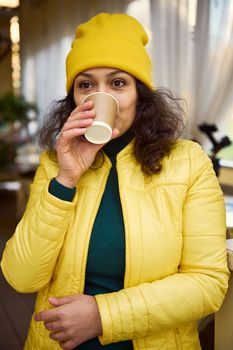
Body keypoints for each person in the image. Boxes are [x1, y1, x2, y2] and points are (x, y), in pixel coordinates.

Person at [0, 12, 229, 350]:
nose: (98, 95)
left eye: (118, 83)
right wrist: (65, 179)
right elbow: (21, 277)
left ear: (141, 93)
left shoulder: (187, 163)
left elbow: (207, 283)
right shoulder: (55, 164)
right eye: (86, 84)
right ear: (74, 98)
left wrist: (103, 315)